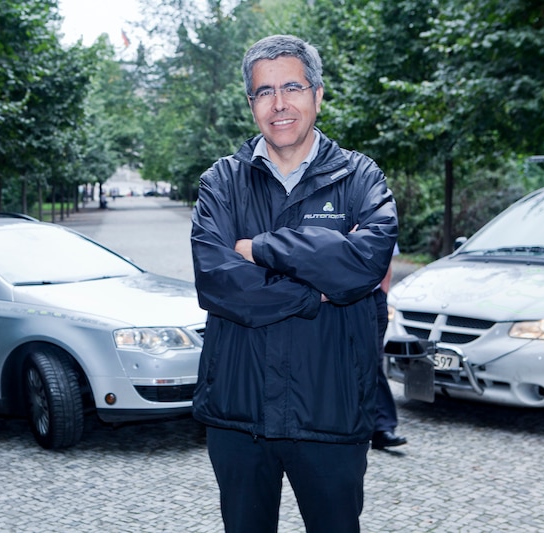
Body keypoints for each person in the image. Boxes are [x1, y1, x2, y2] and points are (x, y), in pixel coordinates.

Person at [190, 35, 398, 533]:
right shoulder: (221, 182)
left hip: (332, 410)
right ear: (251, 104)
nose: (279, 104)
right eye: (264, 92)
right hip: (239, 415)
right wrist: (316, 288)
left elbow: (364, 265)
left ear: (318, 94)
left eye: (292, 87)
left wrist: (258, 248)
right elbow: (218, 282)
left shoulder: (360, 177)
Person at [371, 243, 408, 449]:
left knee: (373, 361)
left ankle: (381, 427)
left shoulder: (378, 211)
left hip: (372, 298)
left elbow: (386, 260)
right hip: (331, 297)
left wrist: (382, 297)